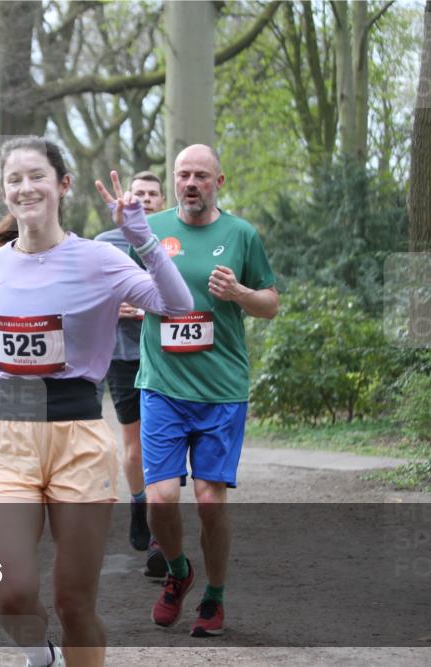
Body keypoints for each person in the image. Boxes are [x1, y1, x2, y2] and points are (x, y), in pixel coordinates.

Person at [0, 136, 192, 667]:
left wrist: (140, 235)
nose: (26, 187)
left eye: (37, 176)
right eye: (15, 179)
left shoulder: (97, 260)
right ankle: (38, 655)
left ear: (62, 185)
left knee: (74, 603)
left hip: (79, 435)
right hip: (8, 433)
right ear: (4, 192)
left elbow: (175, 303)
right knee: (11, 594)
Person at [137, 144, 278, 638]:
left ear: (219, 181)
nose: (190, 182)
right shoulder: (152, 232)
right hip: (163, 387)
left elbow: (270, 304)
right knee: (158, 499)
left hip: (221, 389)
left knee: (209, 500)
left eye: (200, 175)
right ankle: (178, 573)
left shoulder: (241, 235)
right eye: (183, 174)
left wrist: (239, 293)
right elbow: (121, 288)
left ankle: (214, 596)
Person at [93, 171, 169, 576]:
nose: (145, 199)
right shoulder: (105, 245)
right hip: (123, 353)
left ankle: (160, 521)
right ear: (125, 200)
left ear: (162, 201)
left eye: (153, 195)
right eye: (138, 193)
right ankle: (140, 503)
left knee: (165, 439)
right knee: (135, 443)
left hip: (171, 354)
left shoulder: (176, 240)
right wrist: (113, 303)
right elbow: (86, 292)